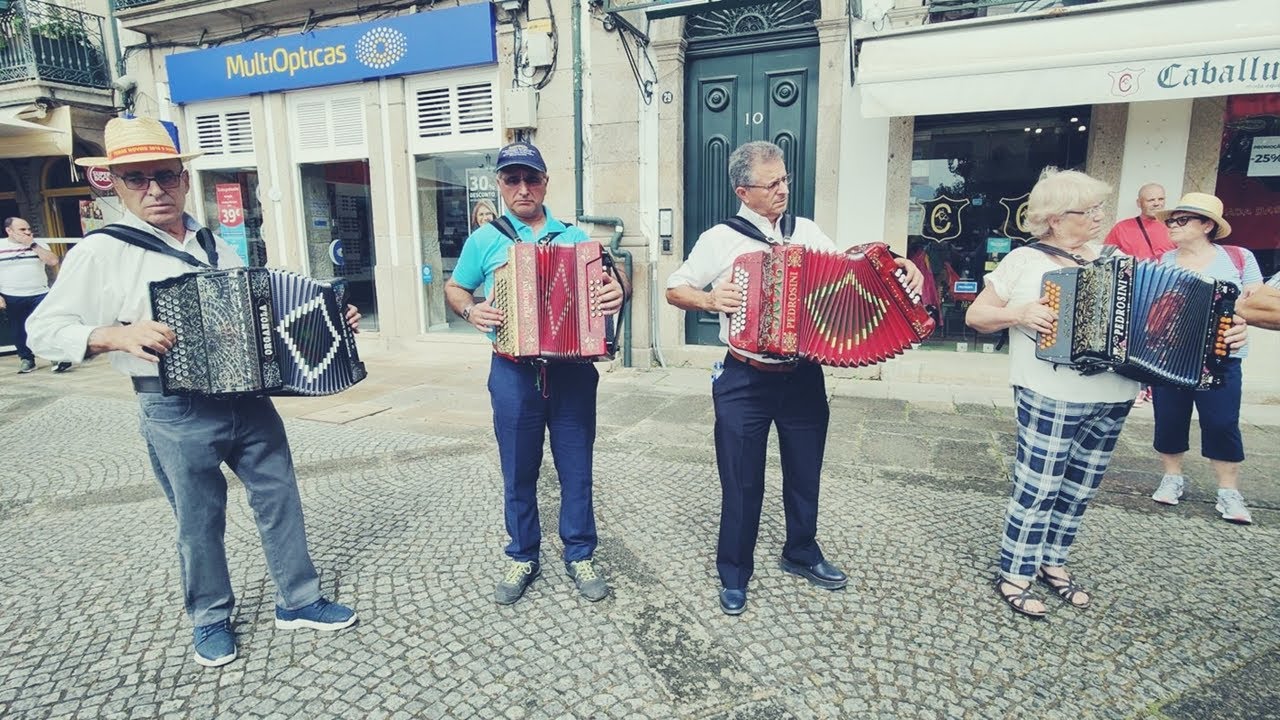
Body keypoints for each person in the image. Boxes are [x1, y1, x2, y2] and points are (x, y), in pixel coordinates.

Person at [26, 117, 359, 668]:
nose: (154, 189)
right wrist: (113, 334)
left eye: (164, 175)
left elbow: (262, 318)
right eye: (136, 179)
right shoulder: (101, 252)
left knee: (279, 499)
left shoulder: (213, 243)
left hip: (248, 400)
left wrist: (326, 319)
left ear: (183, 178)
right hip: (173, 405)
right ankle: (209, 618)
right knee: (198, 519)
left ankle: (298, 601)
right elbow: (43, 330)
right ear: (116, 184)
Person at [965, 170, 1248, 619]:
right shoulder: (1025, 261)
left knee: (1079, 488)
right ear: (1055, 219)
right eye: (1088, 210)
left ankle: (1052, 562)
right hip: (1050, 392)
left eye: (1100, 208)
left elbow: (1177, 310)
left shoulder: (1118, 259)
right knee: (1038, 487)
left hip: (1115, 393)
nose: (1100, 217)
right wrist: (1021, 312)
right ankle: (1015, 570)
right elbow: (978, 315)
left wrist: (1226, 330)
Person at [664, 141, 924, 616]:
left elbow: (851, 272)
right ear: (744, 191)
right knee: (742, 480)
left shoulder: (805, 230)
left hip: (803, 375)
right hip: (745, 376)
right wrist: (708, 300)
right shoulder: (720, 238)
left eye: (785, 178)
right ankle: (734, 571)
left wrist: (896, 270)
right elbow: (674, 287)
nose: (784, 189)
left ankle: (801, 551)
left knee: (805, 471)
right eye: (773, 183)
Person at [444, 141, 627, 606]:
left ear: (546, 182)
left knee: (576, 469)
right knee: (518, 470)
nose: (523, 188)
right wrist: (471, 311)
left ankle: (580, 552)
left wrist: (616, 295)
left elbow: (611, 287)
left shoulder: (574, 239)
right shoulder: (485, 239)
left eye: (532, 178)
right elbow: (456, 287)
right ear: (501, 185)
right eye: (512, 179)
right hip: (512, 373)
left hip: (572, 372)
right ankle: (523, 554)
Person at [1148, 193, 1262, 524]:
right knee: (1169, 418)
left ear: (1207, 225)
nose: (1171, 226)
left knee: (1222, 421)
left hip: (1223, 354)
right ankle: (1172, 477)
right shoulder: (1162, 262)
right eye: (1171, 220)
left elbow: (1257, 305)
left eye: (1181, 220)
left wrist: (1243, 321)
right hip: (1170, 354)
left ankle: (1228, 491)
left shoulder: (1240, 259)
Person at [1103, 183, 1173, 406]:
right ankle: (1137, 386)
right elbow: (1106, 258)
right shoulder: (1122, 228)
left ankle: (1155, 387)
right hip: (1134, 293)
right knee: (1133, 339)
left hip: (1165, 294)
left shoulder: (1173, 228)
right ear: (1139, 203)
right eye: (1151, 199)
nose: (1156, 203)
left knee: (1160, 341)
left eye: (1160, 199)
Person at [0, 217, 70, 374]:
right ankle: (27, 359)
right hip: (12, 294)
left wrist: (32, 244)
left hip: (39, 292)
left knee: (47, 325)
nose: (27, 232)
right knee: (19, 329)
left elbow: (53, 261)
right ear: (9, 231)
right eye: (22, 230)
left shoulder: (38, 244)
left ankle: (57, 357)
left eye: (28, 229)